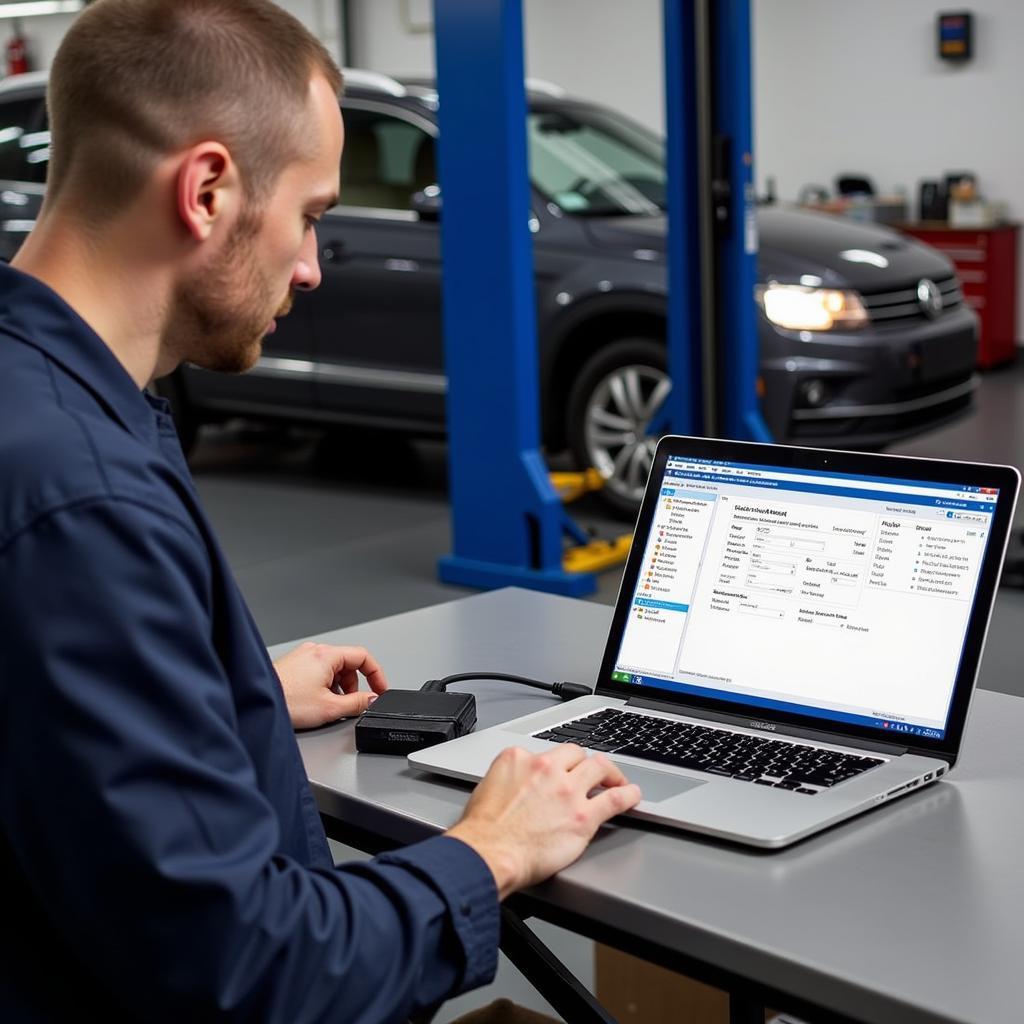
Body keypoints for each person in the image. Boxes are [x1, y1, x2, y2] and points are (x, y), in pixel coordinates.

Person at [0, 1, 642, 1021]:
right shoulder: (82, 496)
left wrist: (229, 684)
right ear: (206, 188)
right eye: (309, 214)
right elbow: (251, 969)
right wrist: (489, 850)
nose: (309, 264)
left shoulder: (44, 403)